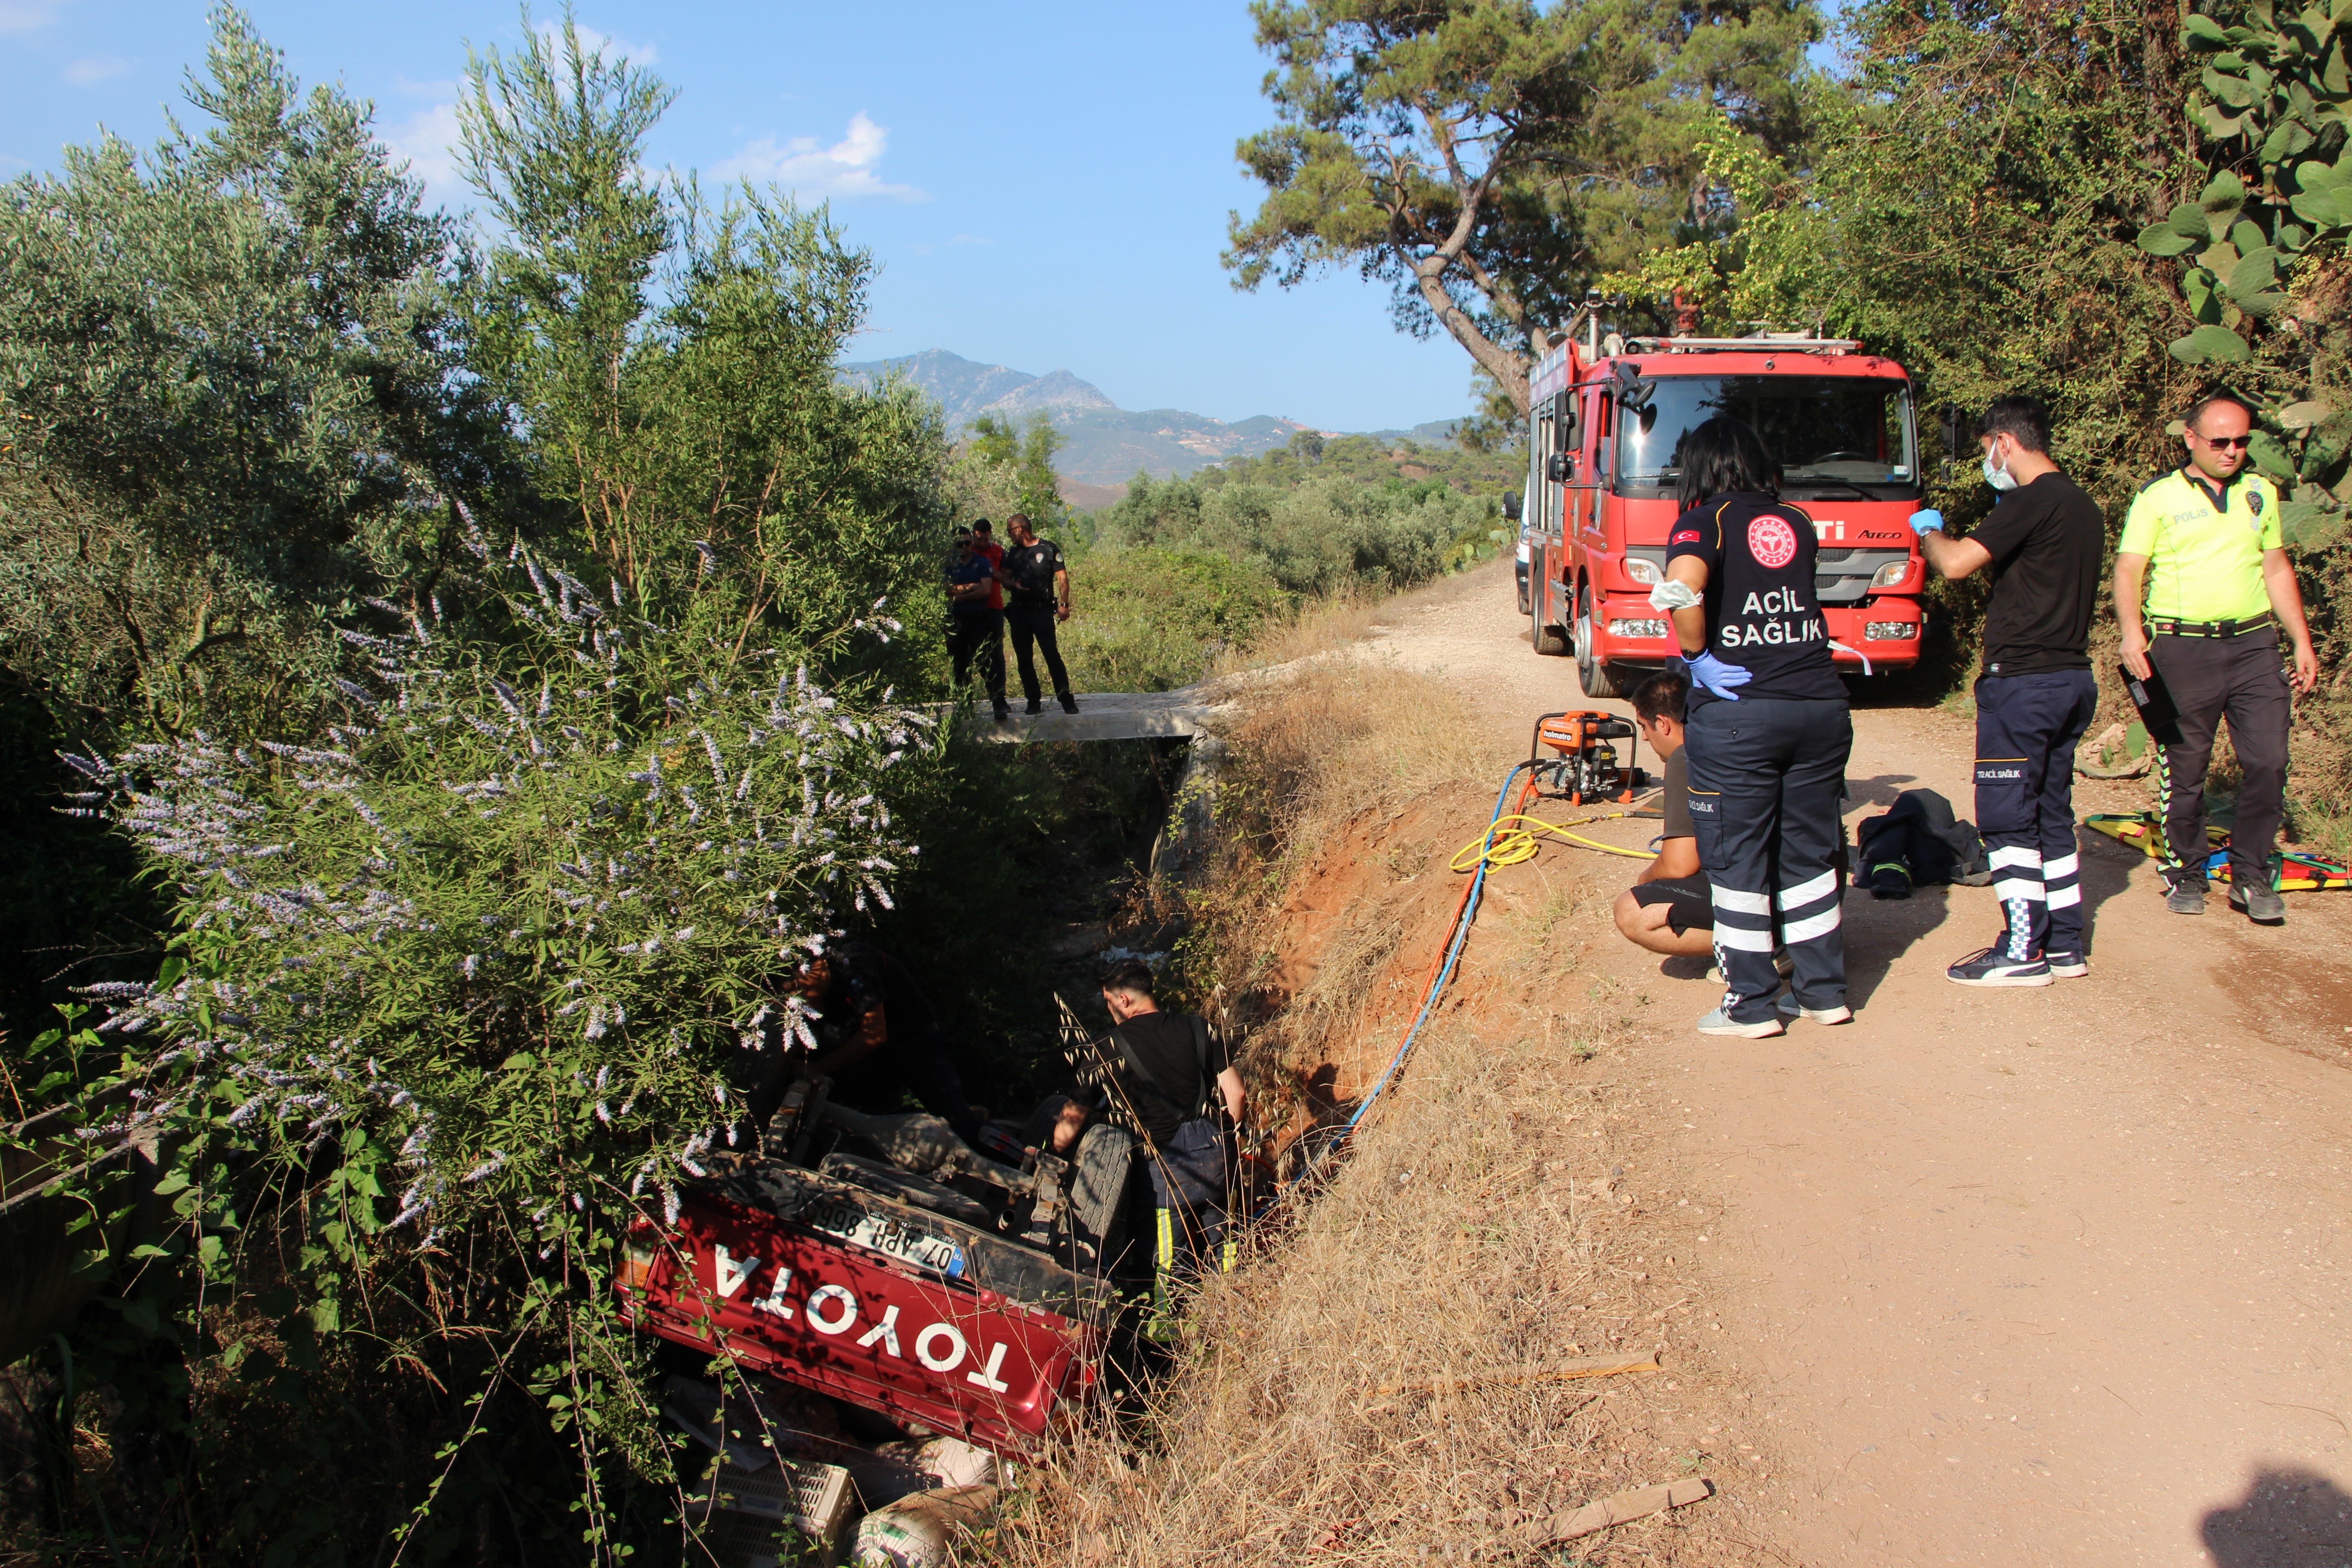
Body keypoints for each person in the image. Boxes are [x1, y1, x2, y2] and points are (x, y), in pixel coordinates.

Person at [1660, 416, 1854, 1038]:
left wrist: (1696, 661)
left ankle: (1751, 1004)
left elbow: (1681, 592)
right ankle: (1823, 993)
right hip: (1820, 707)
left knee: (1736, 859)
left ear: (1702, 467)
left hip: (1743, 713)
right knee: (1809, 855)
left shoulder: (1701, 522)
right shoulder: (1795, 520)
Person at [1909, 395, 2106, 985]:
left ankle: (2022, 949)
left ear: (2005, 442)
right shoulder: (2083, 506)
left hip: (2023, 684)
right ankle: (2065, 943)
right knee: (2051, 815)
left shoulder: (2032, 500)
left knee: (2006, 819)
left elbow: (1956, 564)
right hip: (2071, 677)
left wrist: (1930, 532)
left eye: (1987, 449)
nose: (1988, 460)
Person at [2115, 390, 2319, 923]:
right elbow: (2129, 569)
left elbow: (2275, 567)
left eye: (2242, 441)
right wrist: (2132, 634)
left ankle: (2252, 876)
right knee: (2186, 771)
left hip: (2254, 645)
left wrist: (2300, 638)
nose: (2232, 451)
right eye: (2220, 441)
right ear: (2191, 439)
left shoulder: (2260, 493)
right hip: (2182, 650)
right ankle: (2186, 871)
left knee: (2268, 762)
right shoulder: (2158, 497)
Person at [1096, 959, 1244, 1293]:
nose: (1109, 1010)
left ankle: (1170, 1333)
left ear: (1123, 1000)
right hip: (1218, 1158)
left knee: (1168, 1264)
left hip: (1166, 1174)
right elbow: (1237, 1092)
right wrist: (1232, 1141)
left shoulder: (1107, 1048)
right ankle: (1237, 1308)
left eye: (1108, 1001)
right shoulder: (1198, 1027)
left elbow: (1075, 1114)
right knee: (1229, 1248)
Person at [789, 942, 982, 1141]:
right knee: (872, 1110)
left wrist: (819, 1067)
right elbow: (816, 1028)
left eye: (800, 990)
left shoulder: (853, 964)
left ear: (811, 969)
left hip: (915, 1040)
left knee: (956, 1122)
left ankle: (990, 1154)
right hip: (872, 1051)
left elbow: (874, 1034)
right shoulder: (819, 991)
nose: (802, 1000)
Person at [1611, 670, 1714, 960]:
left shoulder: (1687, 756)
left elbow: (1678, 865)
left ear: (1663, 724)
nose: (1644, 737)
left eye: (1644, 726)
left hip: (1771, 898)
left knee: (1634, 912)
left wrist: (1647, 879)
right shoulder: (1730, 736)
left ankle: (1762, 950)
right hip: (1815, 891)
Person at [997, 512, 1077, 715]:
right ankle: (1033, 701)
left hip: (1042, 612)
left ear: (1019, 529)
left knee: (1052, 655)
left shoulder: (1048, 549)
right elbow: (1006, 580)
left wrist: (1064, 605)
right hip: (1019, 613)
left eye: (1009, 531)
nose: (1009, 535)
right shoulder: (1013, 553)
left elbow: (1063, 579)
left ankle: (1066, 699)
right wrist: (1011, 584)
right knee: (1024, 660)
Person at [944, 530, 1010, 721]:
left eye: (966, 543)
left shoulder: (982, 563)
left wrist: (959, 597)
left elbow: (986, 590)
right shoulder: (949, 564)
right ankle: (966, 706)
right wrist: (973, 586)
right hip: (955, 621)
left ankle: (998, 703)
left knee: (986, 661)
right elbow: (947, 590)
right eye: (959, 545)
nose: (964, 548)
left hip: (979, 618)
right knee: (960, 665)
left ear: (971, 542)